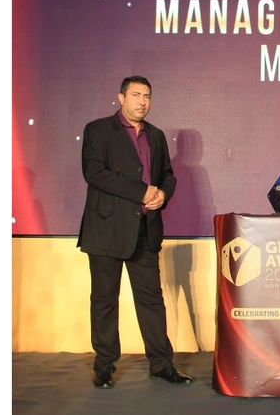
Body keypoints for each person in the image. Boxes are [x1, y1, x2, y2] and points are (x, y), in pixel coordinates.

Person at [77, 76, 193, 388]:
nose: (142, 101)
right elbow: (95, 172)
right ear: (121, 97)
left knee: (152, 300)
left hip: (145, 230)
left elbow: (167, 175)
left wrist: (162, 195)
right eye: (136, 95)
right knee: (104, 300)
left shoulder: (155, 136)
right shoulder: (98, 130)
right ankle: (104, 366)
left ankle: (161, 363)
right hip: (106, 230)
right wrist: (143, 192)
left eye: (147, 96)